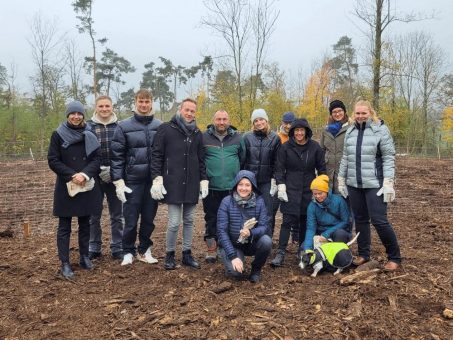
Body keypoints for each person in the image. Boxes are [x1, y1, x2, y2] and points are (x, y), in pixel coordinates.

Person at [338, 99, 401, 271]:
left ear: (370, 113)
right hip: (354, 183)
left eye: (363, 113)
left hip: (374, 183)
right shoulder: (349, 131)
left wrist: (388, 181)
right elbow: (346, 158)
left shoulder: (381, 130)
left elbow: (388, 157)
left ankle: (394, 257)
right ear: (353, 114)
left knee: (379, 221)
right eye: (357, 113)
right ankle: (364, 254)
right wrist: (341, 179)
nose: (360, 116)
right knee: (360, 220)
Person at [151, 98, 208, 270]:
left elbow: (201, 159)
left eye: (192, 111)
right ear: (180, 109)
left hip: (191, 183)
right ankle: (169, 254)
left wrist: (203, 179)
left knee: (189, 220)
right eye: (187, 110)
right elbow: (157, 155)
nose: (189, 113)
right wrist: (157, 177)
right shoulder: (166, 129)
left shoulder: (197, 133)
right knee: (175, 222)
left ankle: (187, 254)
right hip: (173, 182)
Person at [48, 101, 102, 278]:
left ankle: (84, 257)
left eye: (80, 114)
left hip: (86, 184)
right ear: (67, 115)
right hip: (67, 187)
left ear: (83, 116)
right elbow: (53, 160)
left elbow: (96, 159)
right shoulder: (58, 135)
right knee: (64, 226)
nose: (76, 117)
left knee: (85, 223)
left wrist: (84, 174)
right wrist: (72, 175)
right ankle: (65, 263)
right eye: (73, 114)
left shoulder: (90, 133)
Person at [110, 89, 162, 266]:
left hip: (152, 182)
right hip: (132, 181)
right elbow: (117, 156)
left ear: (151, 103)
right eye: (141, 101)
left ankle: (144, 249)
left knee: (148, 219)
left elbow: (163, 155)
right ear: (135, 103)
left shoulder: (160, 126)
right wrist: (118, 181)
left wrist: (161, 179)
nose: (144, 105)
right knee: (131, 220)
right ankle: (128, 251)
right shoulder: (123, 127)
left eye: (147, 101)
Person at [271, 118, 326, 267]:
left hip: (309, 189)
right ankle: (281, 252)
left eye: (302, 130)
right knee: (287, 221)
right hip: (290, 188)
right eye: (296, 130)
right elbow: (279, 169)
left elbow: (321, 170)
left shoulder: (315, 147)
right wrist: (281, 185)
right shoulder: (286, 148)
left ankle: (302, 249)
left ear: (306, 131)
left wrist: (321, 188)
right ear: (293, 132)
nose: (299, 133)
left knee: (305, 221)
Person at [217, 170, 272, 283]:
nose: (243, 188)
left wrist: (251, 233)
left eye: (247, 185)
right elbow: (221, 231)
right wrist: (233, 256)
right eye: (240, 184)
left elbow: (264, 226)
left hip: (250, 243)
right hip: (233, 244)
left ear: (252, 187)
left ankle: (256, 270)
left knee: (266, 241)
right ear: (236, 185)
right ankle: (234, 260)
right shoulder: (226, 202)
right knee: (235, 274)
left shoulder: (260, 202)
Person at [202, 110, 242, 263]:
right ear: (213, 120)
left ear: (228, 120)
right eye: (218, 119)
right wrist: (204, 179)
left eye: (224, 119)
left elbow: (242, 158)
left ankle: (227, 246)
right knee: (211, 217)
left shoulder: (238, 138)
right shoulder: (204, 137)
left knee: (231, 217)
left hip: (231, 187)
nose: (221, 122)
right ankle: (211, 248)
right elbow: (200, 159)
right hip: (211, 187)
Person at [87, 95, 123, 260]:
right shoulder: (88, 127)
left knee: (117, 214)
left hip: (115, 176)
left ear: (112, 107)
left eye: (107, 106)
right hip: (94, 177)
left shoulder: (120, 127)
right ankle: (94, 246)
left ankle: (118, 246)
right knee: (94, 214)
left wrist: (113, 171)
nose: (104, 109)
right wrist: (97, 169)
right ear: (96, 107)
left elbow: (123, 151)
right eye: (101, 106)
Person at [240, 109, 281, 235]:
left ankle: (266, 239)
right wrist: (242, 179)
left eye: (261, 119)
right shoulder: (247, 137)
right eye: (256, 120)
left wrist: (275, 179)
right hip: (250, 181)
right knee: (249, 210)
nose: (259, 123)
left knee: (268, 211)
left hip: (267, 181)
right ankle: (248, 238)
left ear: (266, 120)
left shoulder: (274, 138)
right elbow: (242, 159)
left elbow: (277, 161)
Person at [302, 175, 351, 253]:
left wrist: (327, 234)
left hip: (336, 232)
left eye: (320, 193)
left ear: (326, 191)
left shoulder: (339, 201)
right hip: (320, 234)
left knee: (340, 234)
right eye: (315, 194)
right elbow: (311, 228)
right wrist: (307, 248)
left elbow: (345, 221)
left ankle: (339, 255)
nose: (317, 196)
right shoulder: (312, 206)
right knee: (303, 248)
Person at [276, 111, 298, 243]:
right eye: (286, 123)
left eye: (291, 123)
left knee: (296, 207)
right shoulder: (278, 137)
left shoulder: (298, 136)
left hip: (293, 177)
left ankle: (296, 235)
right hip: (280, 176)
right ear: (282, 123)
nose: (288, 126)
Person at [320, 100, 350, 194]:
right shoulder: (326, 130)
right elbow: (321, 150)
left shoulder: (351, 128)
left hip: (345, 173)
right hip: (328, 173)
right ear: (331, 114)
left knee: (344, 202)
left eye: (340, 111)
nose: (337, 114)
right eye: (334, 112)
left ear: (344, 112)